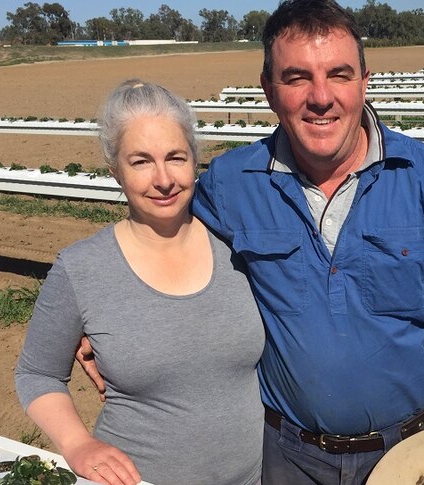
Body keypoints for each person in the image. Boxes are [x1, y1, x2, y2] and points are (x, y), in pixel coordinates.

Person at [193, 1, 424, 484]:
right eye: (297, 77)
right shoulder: (232, 183)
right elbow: (163, 247)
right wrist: (112, 316)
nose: (321, 97)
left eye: (339, 75)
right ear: (269, 91)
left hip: (403, 454)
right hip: (282, 452)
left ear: (365, 82)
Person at [15, 80, 265, 485]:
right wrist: (77, 443)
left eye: (176, 157)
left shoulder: (239, 245)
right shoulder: (82, 268)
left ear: (195, 162)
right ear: (115, 171)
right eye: (141, 161)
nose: (163, 179)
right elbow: (36, 373)